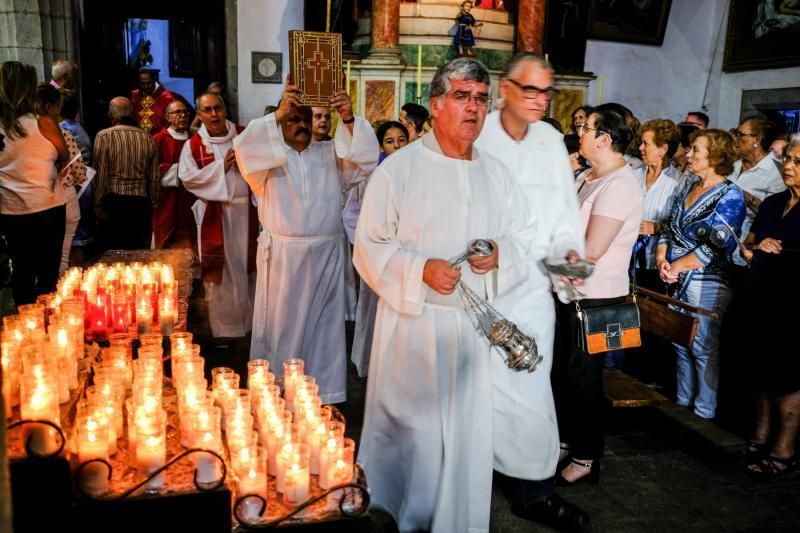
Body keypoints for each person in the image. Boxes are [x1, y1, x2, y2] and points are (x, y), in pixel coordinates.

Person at [354, 57, 535, 532]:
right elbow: (369, 244)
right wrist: (419, 269)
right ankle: (404, 515)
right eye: (461, 96)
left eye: (480, 98)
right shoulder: (399, 170)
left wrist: (500, 251)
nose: (472, 108)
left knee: (466, 439)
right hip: (415, 326)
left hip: (473, 331)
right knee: (415, 436)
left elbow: (525, 234)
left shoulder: (497, 173)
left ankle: (459, 520)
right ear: (436, 105)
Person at [474, 53, 589, 530]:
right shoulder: (475, 133)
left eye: (547, 91)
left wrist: (570, 272)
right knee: (474, 388)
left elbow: (564, 214)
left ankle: (532, 490)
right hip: (479, 287)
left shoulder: (548, 141)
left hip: (530, 290)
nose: (541, 100)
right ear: (504, 88)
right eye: (530, 90)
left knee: (529, 386)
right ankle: (472, 478)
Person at [233, 78, 378, 404]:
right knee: (282, 332)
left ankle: (322, 395)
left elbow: (364, 161)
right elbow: (243, 149)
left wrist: (349, 117)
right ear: (280, 123)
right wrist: (281, 110)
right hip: (284, 261)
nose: (301, 125)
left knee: (326, 331)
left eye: (305, 118)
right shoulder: (266, 162)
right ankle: (278, 397)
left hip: (326, 257)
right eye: (293, 119)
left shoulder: (330, 154)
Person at [553, 104, 643, 485]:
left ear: (604, 139)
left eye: (587, 129)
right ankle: (564, 439)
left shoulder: (620, 185)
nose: (581, 134)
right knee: (561, 371)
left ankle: (587, 456)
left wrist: (543, 272)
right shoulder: (586, 175)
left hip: (597, 298)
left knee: (584, 379)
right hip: (567, 292)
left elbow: (592, 250)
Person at [656, 129, 746, 419]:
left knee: (703, 345)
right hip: (674, 276)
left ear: (716, 156)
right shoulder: (688, 187)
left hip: (708, 281)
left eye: (696, 150)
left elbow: (718, 243)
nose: (689, 154)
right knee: (679, 341)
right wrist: (661, 259)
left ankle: (704, 412)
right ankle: (682, 404)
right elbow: (669, 226)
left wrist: (678, 266)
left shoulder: (731, 195)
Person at [742, 133, 800, 476]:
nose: (788, 166)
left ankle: (785, 448)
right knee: (761, 371)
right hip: (762, 295)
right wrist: (757, 245)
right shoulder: (774, 202)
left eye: (796, 162)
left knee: (790, 378)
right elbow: (748, 243)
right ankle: (760, 435)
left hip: (795, 304)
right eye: (787, 160)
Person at [178, 92, 258, 341]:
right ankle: (225, 329)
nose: (214, 115)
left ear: (225, 109)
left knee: (250, 269)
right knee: (221, 274)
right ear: (199, 115)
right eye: (208, 110)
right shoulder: (193, 145)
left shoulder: (244, 135)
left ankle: (252, 327)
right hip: (216, 214)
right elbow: (187, 178)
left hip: (248, 213)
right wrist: (220, 168)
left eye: (218, 108)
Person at [0, 61, 68, 304]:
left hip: (11, 210)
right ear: (29, 89)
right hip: (47, 208)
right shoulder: (44, 123)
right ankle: (48, 326)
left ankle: (26, 327)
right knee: (48, 275)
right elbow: (64, 155)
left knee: (22, 273)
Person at [350, 120, 409, 378]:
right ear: (381, 146)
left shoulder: (419, 170)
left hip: (409, 257)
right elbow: (352, 213)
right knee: (377, 313)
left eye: (401, 140)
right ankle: (374, 365)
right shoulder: (374, 174)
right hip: (381, 256)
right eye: (389, 141)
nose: (397, 145)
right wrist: (369, 246)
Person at [93, 97, 160, 250]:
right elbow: (154, 177)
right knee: (137, 252)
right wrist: (154, 204)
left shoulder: (104, 136)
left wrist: (97, 204)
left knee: (114, 253)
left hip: (113, 202)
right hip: (140, 203)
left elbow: (101, 173)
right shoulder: (148, 138)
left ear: (111, 115)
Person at [36, 83, 87, 275]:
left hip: (29, 198)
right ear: (50, 107)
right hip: (63, 195)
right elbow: (79, 173)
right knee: (62, 256)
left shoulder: (20, 132)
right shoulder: (63, 134)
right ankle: (58, 296)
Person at [729, 115, 785, 273]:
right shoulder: (733, 165)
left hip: (745, 250)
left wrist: (747, 197)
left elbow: (774, 218)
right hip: (718, 246)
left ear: (757, 140)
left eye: (741, 134)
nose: (736, 138)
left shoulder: (776, 172)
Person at [634, 119, 682, 286]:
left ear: (663, 149)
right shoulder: (633, 175)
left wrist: (658, 227)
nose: (640, 148)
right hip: (627, 258)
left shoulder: (680, 182)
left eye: (645, 144)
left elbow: (683, 224)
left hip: (658, 263)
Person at [152, 100, 196, 251]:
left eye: (185, 112)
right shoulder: (159, 139)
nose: (183, 115)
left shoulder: (195, 138)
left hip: (190, 198)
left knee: (190, 241)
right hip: (167, 200)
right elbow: (152, 170)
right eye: (178, 112)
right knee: (166, 243)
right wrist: (182, 170)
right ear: (167, 117)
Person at [131, 68, 174, 135]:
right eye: (142, 84)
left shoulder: (167, 98)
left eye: (148, 83)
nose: (146, 86)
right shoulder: (135, 96)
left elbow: (171, 124)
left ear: (154, 80)